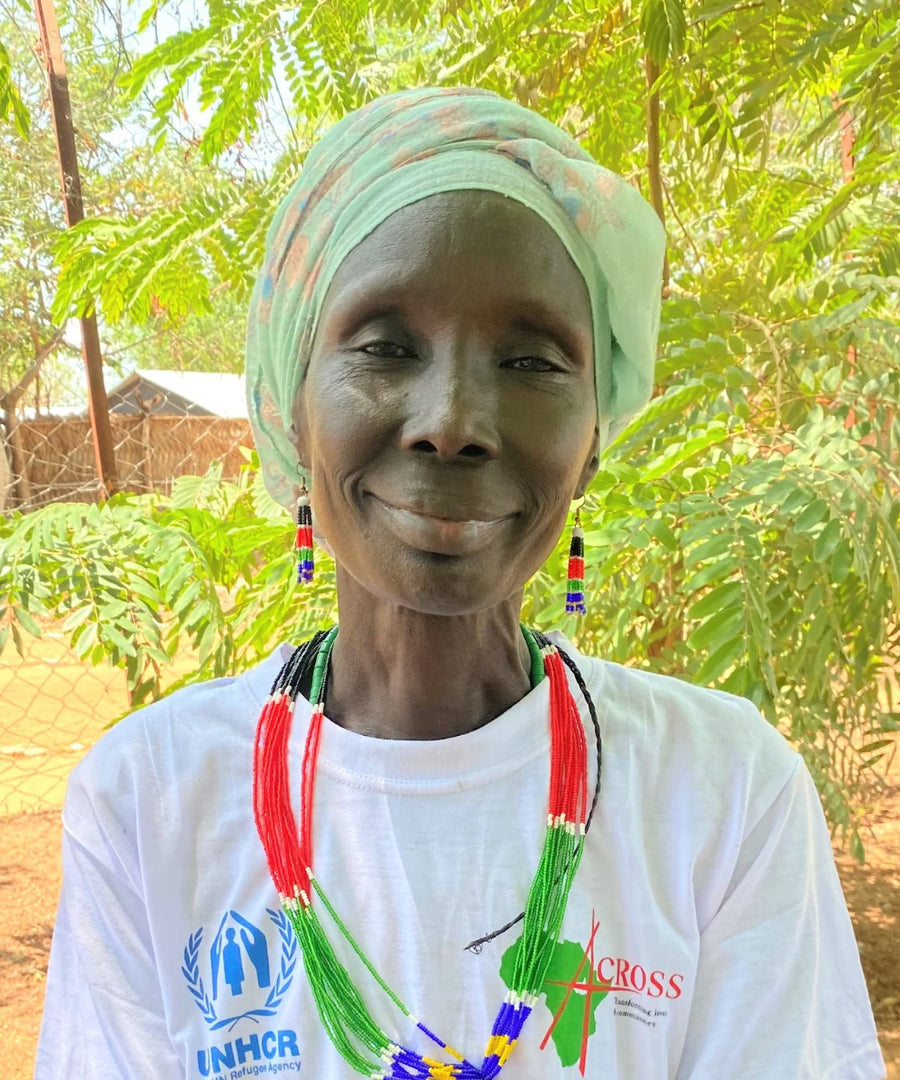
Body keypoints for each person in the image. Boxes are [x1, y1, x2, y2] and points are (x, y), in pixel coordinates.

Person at [35, 85, 884, 1080]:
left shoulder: (724, 793)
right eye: (385, 346)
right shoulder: (151, 803)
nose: (454, 419)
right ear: (291, 408)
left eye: (531, 359)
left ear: (593, 441)